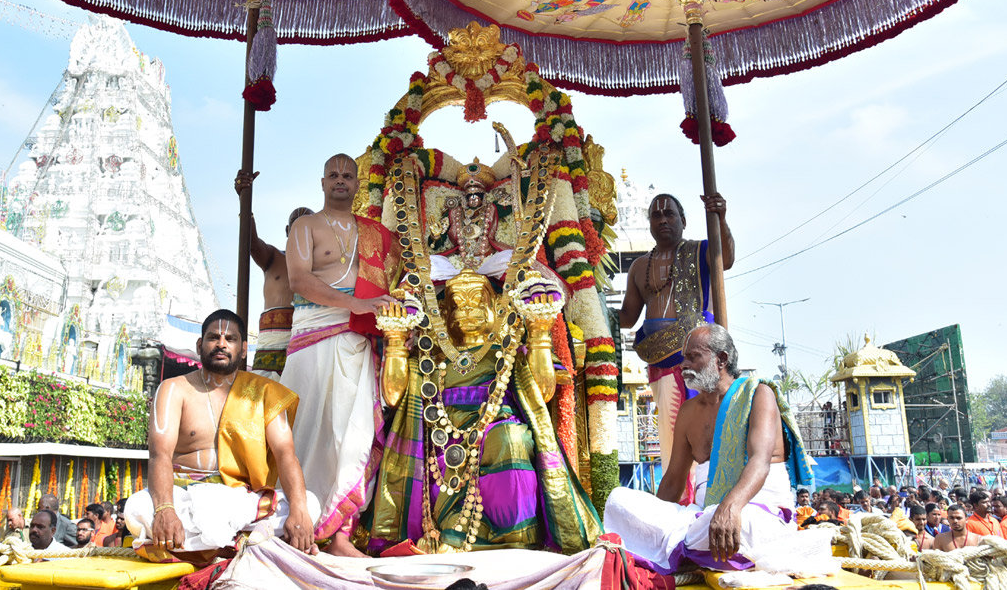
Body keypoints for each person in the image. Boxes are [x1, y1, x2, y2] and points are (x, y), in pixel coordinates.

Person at [368, 270, 600, 553]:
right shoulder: (431, 358)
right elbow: (393, 397)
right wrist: (395, 339)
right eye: (459, 305)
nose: (468, 311)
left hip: (497, 422)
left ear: (495, 309)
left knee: (510, 439)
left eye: (478, 303)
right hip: (443, 428)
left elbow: (543, 391)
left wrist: (539, 330)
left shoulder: (507, 351)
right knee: (442, 447)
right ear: (444, 314)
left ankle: (517, 537)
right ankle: (451, 532)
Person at [604, 325, 829, 572]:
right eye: (683, 358)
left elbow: (760, 461)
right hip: (700, 518)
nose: (683, 365)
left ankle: (683, 548)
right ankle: (689, 546)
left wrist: (730, 508)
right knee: (619, 500)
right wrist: (652, 522)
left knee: (740, 525)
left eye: (693, 357)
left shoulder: (758, 395)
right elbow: (672, 481)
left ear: (721, 359)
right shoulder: (688, 412)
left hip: (755, 512)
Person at [124, 309, 319, 555]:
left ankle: (212, 546)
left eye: (231, 339)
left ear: (244, 349)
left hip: (240, 500)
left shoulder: (264, 393)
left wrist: (300, 511)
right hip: (186, 496)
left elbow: (285, 454)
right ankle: (251, 543)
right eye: (213, 337)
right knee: (136, 509)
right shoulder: (174, 389)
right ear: (199, 344)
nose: (221, 344)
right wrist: (165, 509)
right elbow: (159, 455)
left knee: (310, 503)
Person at [282, 154, 397, 555]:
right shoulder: (305, 226)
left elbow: (398, 277)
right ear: (322, 182)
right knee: (306, 433)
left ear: (357, 183)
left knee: (352, 435)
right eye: (333, 174)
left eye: (348, 175)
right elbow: (298, 280)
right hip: (314, 335)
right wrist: (357, 305)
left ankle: (340, 535)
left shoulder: (376, 234)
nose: (340, 180)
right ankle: (295, 520)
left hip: (357, 339)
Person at [620, 192, 733, 487]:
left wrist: (719, 217)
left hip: (699, 359)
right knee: (670, 436)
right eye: (656, 216)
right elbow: (628, 318)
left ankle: (703, 492)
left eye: (669, 214)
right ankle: (678, 498)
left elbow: (727, 259)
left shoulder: (701, 251)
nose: (663, 220)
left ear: (683, 220)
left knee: (704, 430)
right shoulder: (638, 267)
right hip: (658, 363)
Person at [234, 170, 312, 378]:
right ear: (287, 230)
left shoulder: (324, 267)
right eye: (296, 226)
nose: (301, 231)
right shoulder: (273, 257)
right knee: (264, 404)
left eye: (307, 227)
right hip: (271, 347)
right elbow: (251, 242)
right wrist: (245, 199)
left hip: (306, 344)